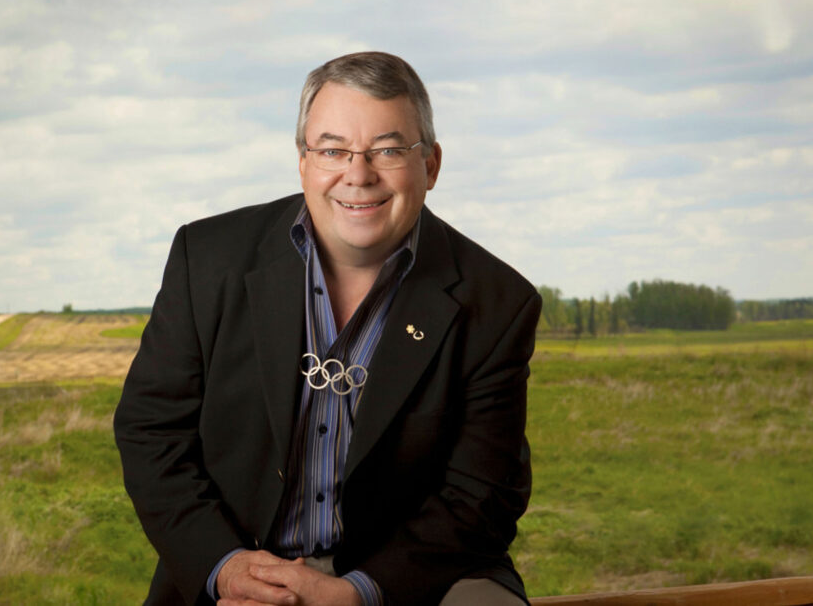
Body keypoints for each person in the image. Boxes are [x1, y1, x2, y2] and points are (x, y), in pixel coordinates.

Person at [114, 51, 541, 606]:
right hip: (241, 565)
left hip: (414, 577)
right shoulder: (208, 259)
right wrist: (225, 569)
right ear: (303, 161)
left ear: (431, 165)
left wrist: (358, 593)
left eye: (388, 150)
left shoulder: (497, 302)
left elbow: (481, 494)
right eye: (333, 149)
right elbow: (152, 433)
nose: (357, 175)